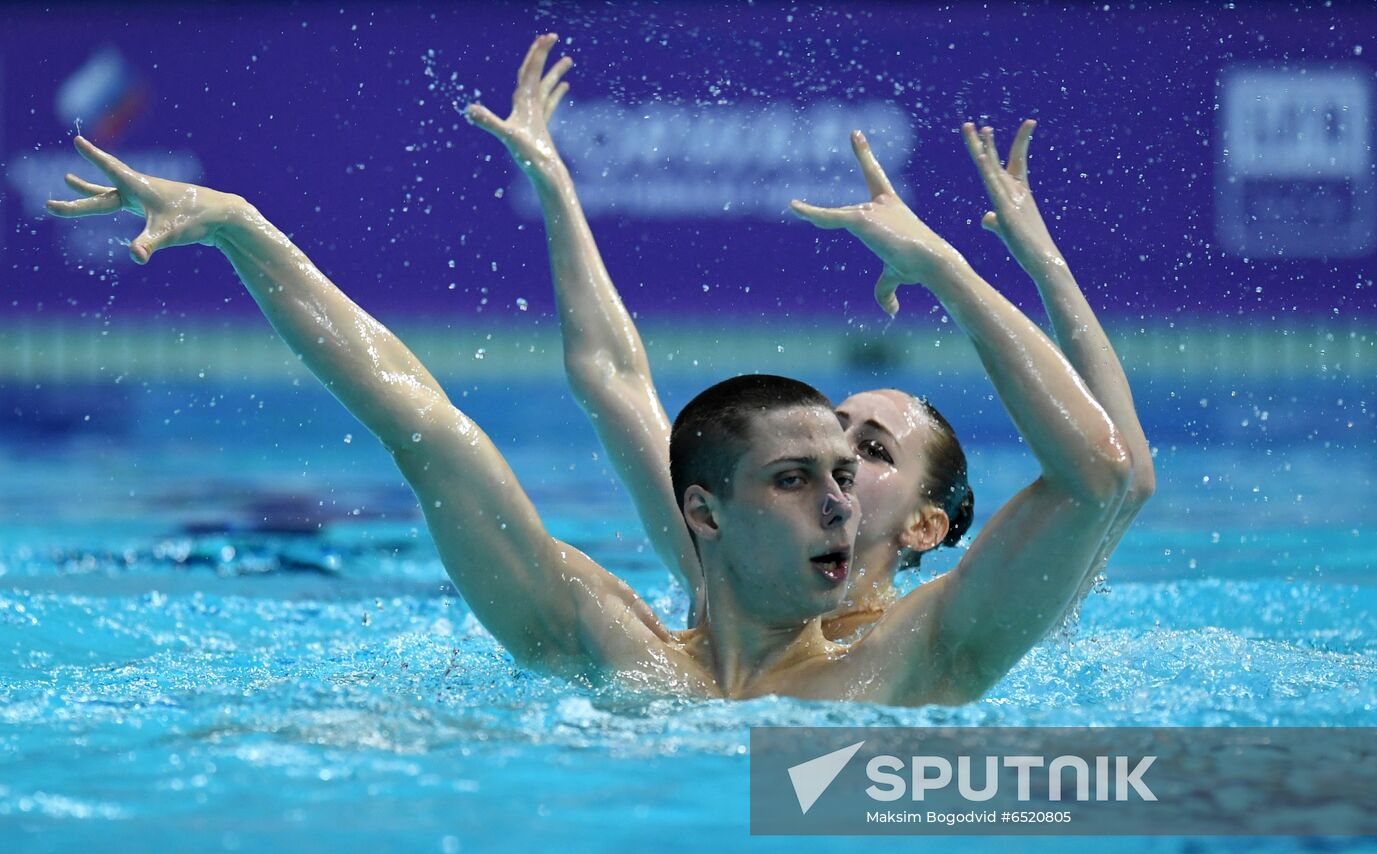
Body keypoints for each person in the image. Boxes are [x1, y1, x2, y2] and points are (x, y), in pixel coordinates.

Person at [45, 49, 1138, 706]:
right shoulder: (622, 648)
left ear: (924, 528)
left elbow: (1109, 476)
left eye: (858, 465)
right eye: (804, 472)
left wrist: (962, 269)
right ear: (703, 513)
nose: (841, 487)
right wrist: (247, 230)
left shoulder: (924, 648)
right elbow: (438, 426)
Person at [467, 35, 1155, 641]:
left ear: (923, 527)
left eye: (872, 450)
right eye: (835, 426)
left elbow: (1119, 478)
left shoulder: (949, 634)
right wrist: (553, 182)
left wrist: (1023, 269)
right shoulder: (722, 561)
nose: (835, 455)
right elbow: (611, 375)